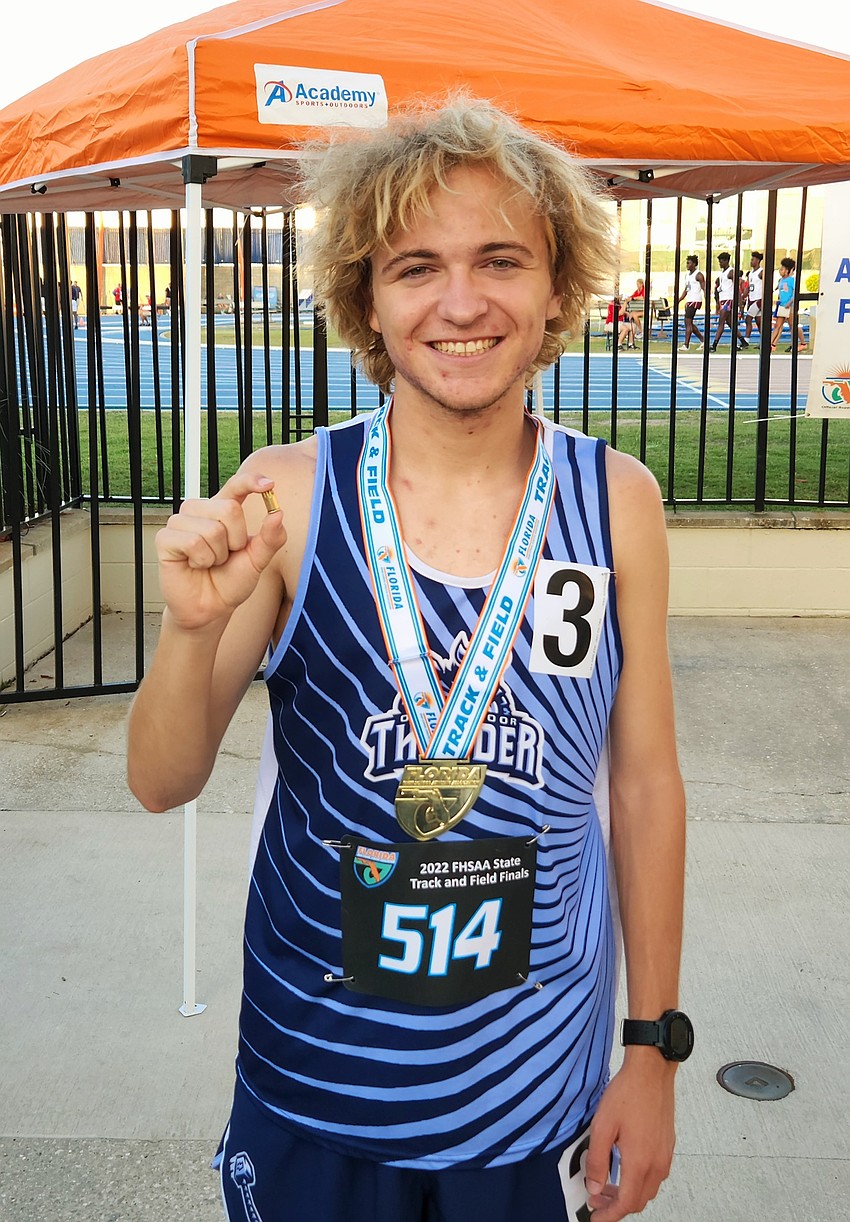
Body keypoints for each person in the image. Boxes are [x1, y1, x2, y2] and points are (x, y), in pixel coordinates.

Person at [127, 96, 689, 1222]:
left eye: (500, 260)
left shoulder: (616, 503)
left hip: (529, 1092)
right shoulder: (289, 493)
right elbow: (161, 779)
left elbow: (641, 784)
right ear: (366, 302)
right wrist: (189, 634)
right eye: (416, 267)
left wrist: (653, 1049)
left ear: (556, 287)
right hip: (317, 1078)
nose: (463, 302)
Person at [711, 252, 748, 351]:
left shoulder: (731, 272)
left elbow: (737, 289)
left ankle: (714, 345)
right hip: (724, 300)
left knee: (721, 322)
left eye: (721, 261)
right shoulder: (722, 274)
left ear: (727, 261)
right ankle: (743, 341)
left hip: (728, 300)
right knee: (730, 323)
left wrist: (740, 305)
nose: (720, 263)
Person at [770, 257, 807, 352]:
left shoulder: (791, 280)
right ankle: (771, 344)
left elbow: (795, 293)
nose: (780, 271)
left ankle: (803, 343)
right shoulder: (781, 280)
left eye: (782, 269)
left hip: (789, 307)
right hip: (782, 306)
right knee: (778, 325)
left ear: (787, 271)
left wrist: (789, 303)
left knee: (793, 325)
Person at [677, 255, 705, 351]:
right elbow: (686, 289)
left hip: (695, 300)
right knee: (689, 323)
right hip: (689, 300)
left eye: (689, 263)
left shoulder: (699, 275)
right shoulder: (687, 275)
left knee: (687, 322)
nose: (687, 265)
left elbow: (704, 288)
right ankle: (703, 340)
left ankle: (686, 345)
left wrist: (707, 302)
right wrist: (679, 299)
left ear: (694, 264)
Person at [744, 252, 763, 340]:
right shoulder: (750, 273)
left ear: (758, 261)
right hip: (751, 298)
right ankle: (764, 340)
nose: (751, 261)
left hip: (758, 299)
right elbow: (748, 286)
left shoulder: (761, 272)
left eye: (753, 260)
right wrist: (744, 296)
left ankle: (746, 340)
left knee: (748, 319)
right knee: (759, 322)